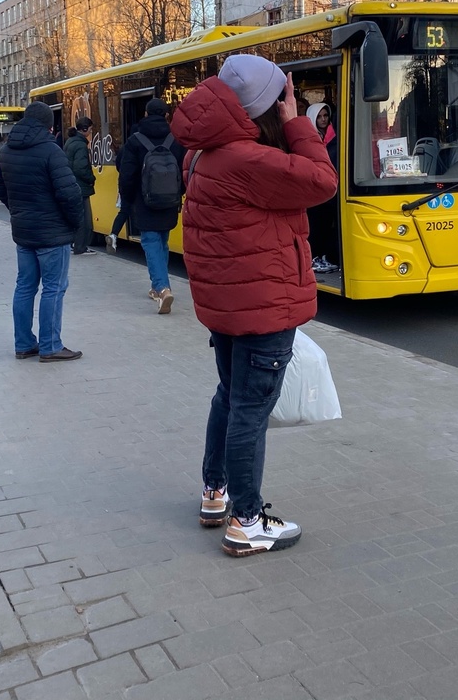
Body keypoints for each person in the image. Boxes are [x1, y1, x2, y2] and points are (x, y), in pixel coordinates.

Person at [172, 53, 337, 557]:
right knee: (249, 410)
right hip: (263, 304)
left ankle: (215, 492)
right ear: (267, 107)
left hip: (228, 303)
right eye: (283, 98)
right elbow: (322, 181)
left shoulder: (203, 154)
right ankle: (246, 521)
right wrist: (298, 126)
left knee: (229, 397)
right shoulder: (249, 160)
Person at [0, 101, 87, 363]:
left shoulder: (6, 150)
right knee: (54, 288)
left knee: (24, 286)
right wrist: (75, 224)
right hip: (52, 233)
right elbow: (69, 194)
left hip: (24, 232)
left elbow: (1, 189)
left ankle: (24, 344)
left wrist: (18, 211)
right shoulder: (51, 151)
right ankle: (50, 346)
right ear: (49, 125)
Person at [116, 97, 184, 314]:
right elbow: (183, 171)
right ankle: (157, 287)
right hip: (170, 202)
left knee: (151, 241)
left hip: (144, 201)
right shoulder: (176, 139)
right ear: (167, 115)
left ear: (145, 114)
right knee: (162, 240)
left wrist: (128, 199)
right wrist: (177, 194)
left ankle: (163, 289)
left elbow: (126, 176)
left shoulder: (135, 140)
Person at [304, 102, 340, 273]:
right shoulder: (308, 138)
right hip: (314, 189)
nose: (323, 119)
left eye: (325, 116)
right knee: (316, 225)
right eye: (319, 117)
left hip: (330, 188)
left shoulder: (335, 137)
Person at [63, 118, 97, 256]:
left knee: (78, 217)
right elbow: (80, 167)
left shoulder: (70, 142)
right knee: (85, 219)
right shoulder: (80, 145)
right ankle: (81, 247)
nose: (90, 131)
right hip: (81, 187)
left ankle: (75, 244)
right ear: (84, 129)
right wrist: (91, 179)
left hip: (72, 185)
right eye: (90, 129)